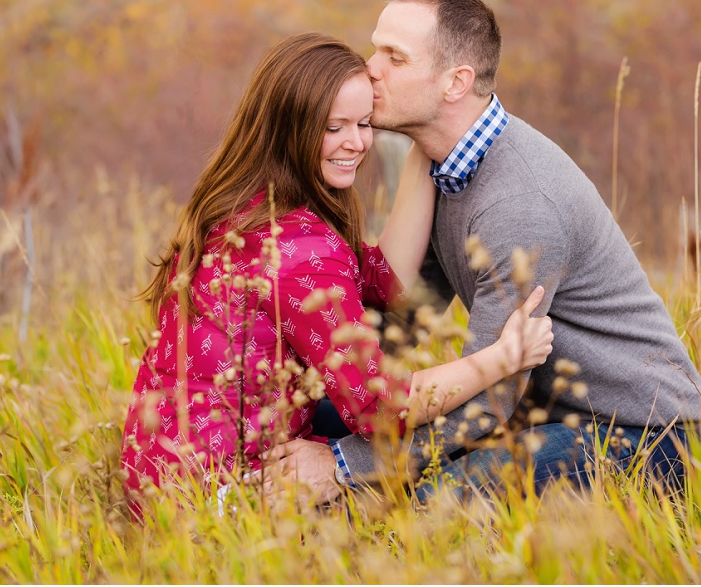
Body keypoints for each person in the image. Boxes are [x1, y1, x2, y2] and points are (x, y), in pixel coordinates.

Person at [264, 0, 701, 503]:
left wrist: (343, 463)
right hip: (534, 412)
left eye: (395, 57)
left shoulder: (519, 203)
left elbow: (492, 400)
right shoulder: (446, 169)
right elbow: (402, 319)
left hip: (642, 432)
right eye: (375, 48)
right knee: (311, 411)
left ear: (456, 83)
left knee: (437, 506)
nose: (370, 69)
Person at [120, 32, 555, 513]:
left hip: (161, 472)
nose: (356, 143)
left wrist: (423, 138)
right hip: (217, 498)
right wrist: (504, 357)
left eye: (365, 123)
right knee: (421, 504)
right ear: (291, 129)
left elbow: (384, 280)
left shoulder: (247, 207)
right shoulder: (299, 248)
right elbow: (383, 408)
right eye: (334, 128)